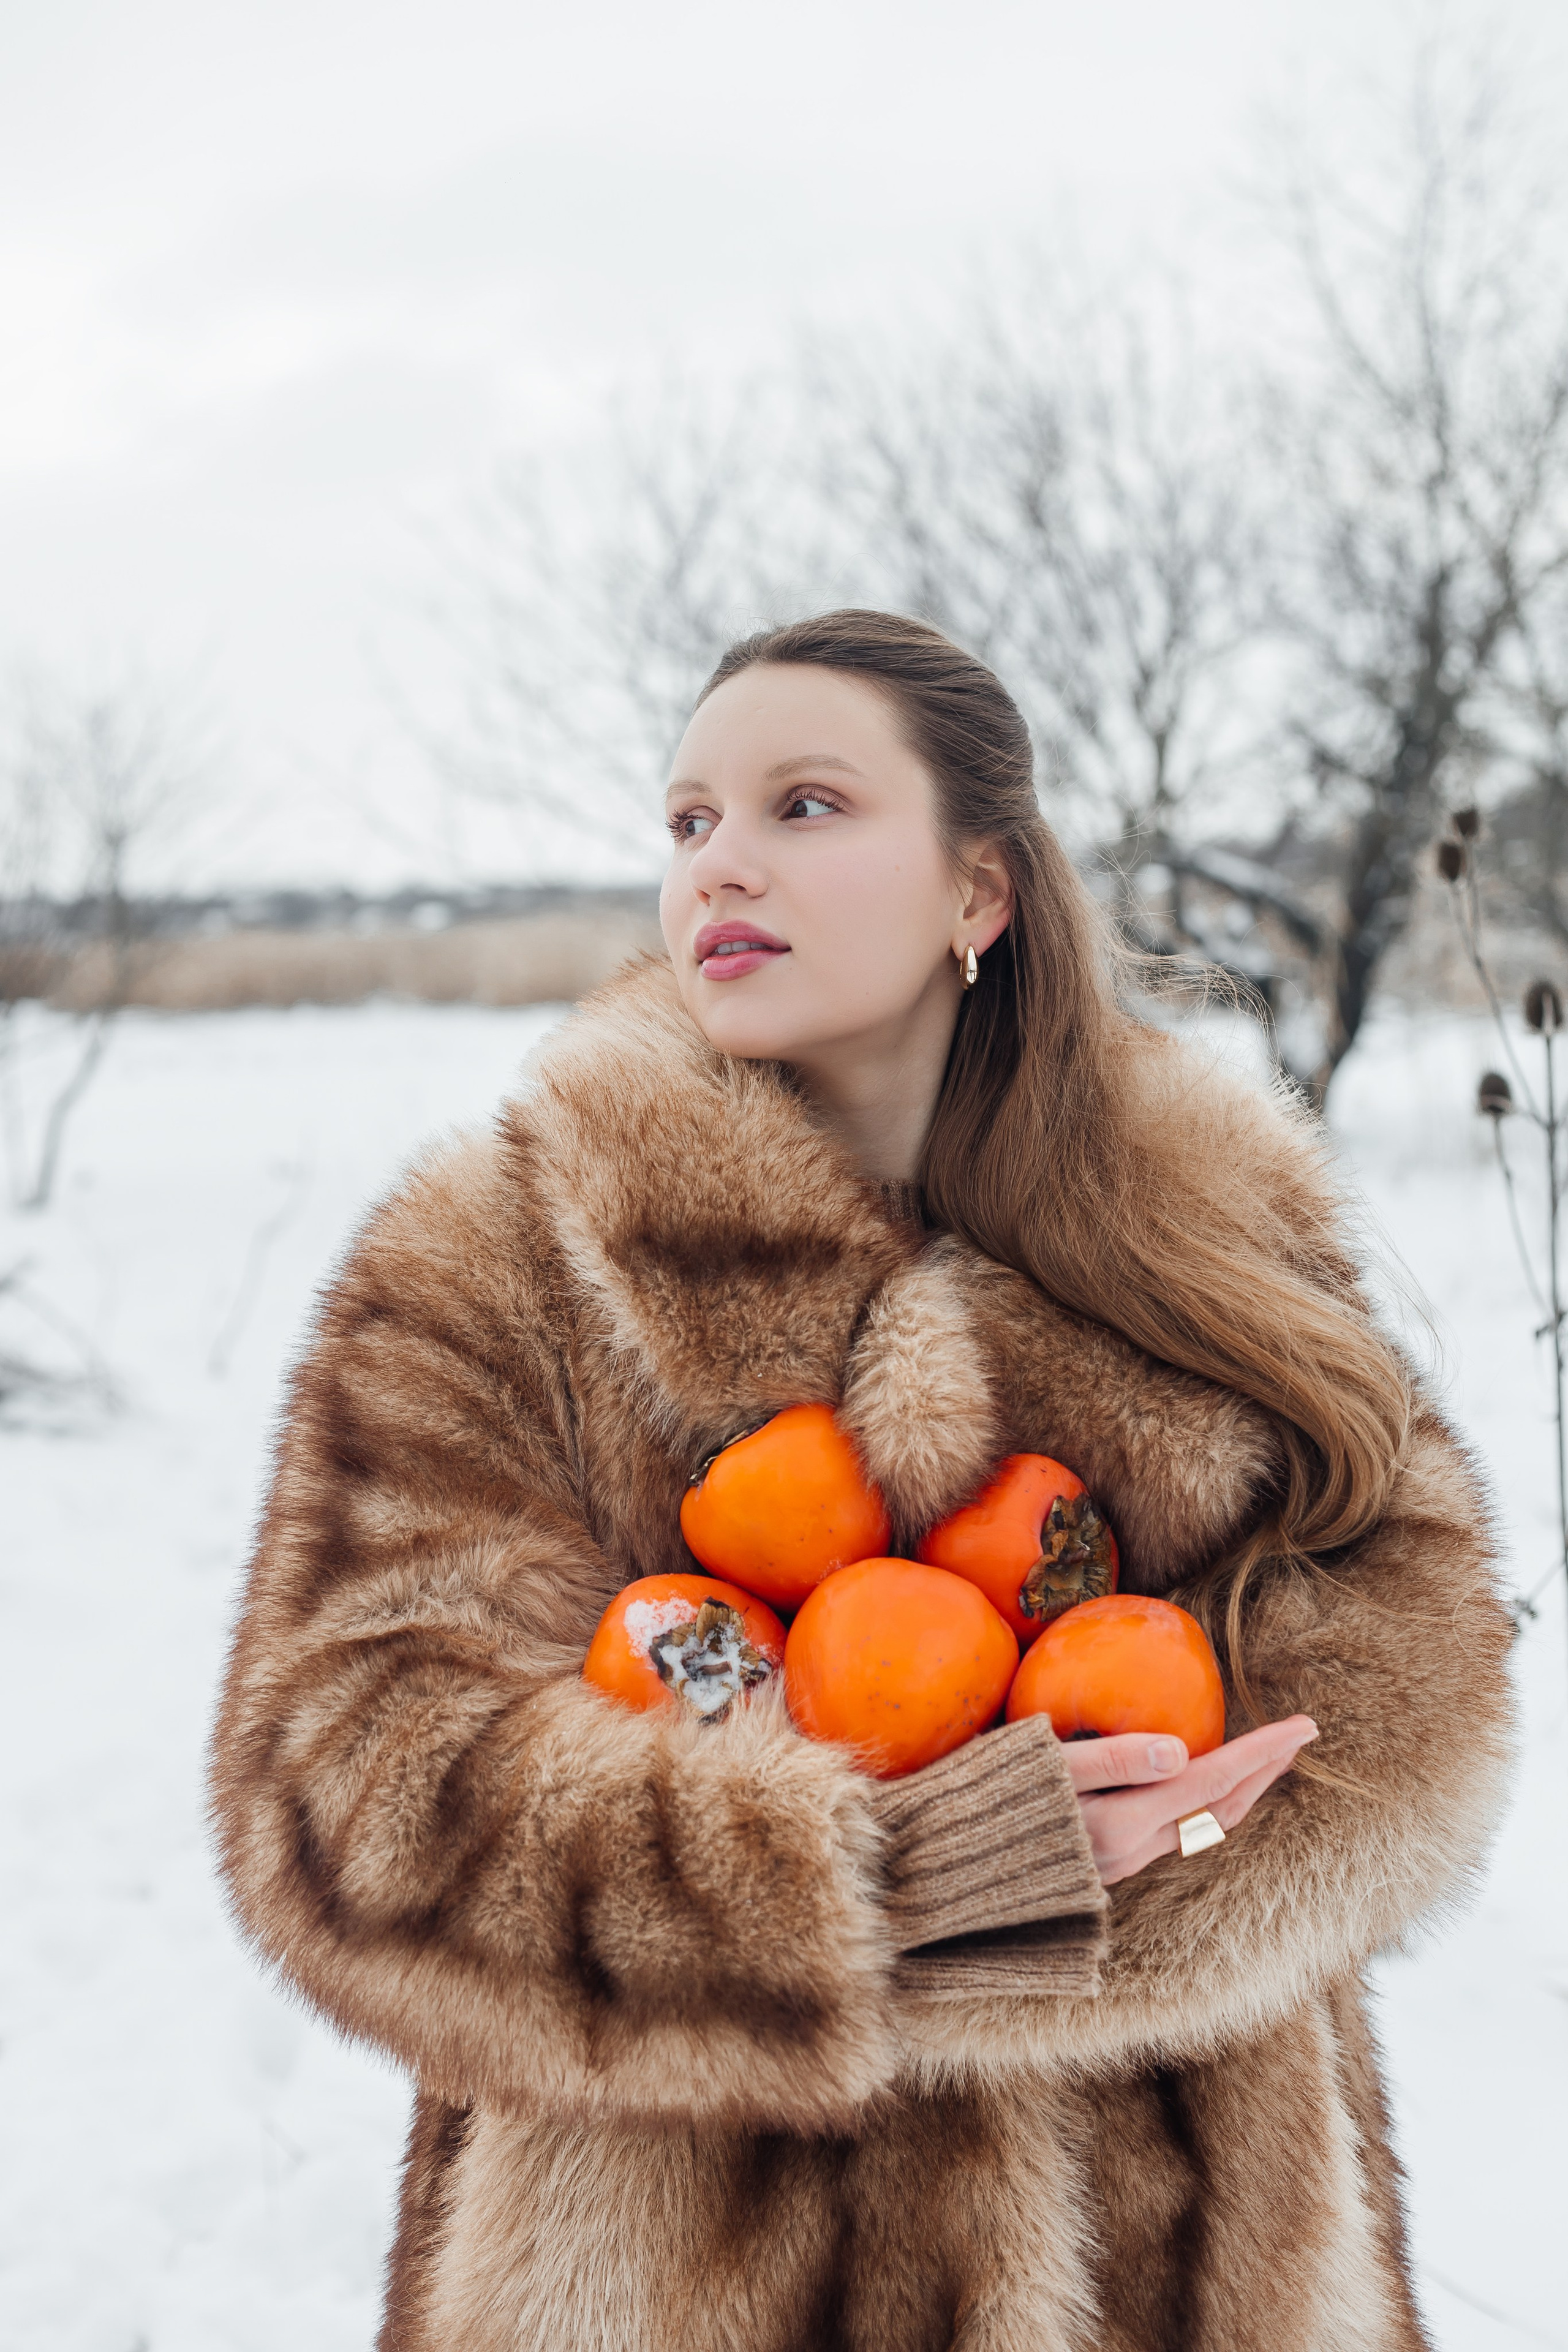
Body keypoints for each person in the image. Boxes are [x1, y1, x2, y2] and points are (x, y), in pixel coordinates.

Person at [212, 610, 1513, 2351]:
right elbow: (346, 1788)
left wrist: (1160, 1859)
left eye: (801, 805)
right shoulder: (501, 1263)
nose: (720, 863)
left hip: (1197, 2266)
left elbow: (1414, 1667)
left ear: (978, 892)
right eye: (688, 822)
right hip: (669, 2275)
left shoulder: (1215, 1239)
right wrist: (899, 1883)